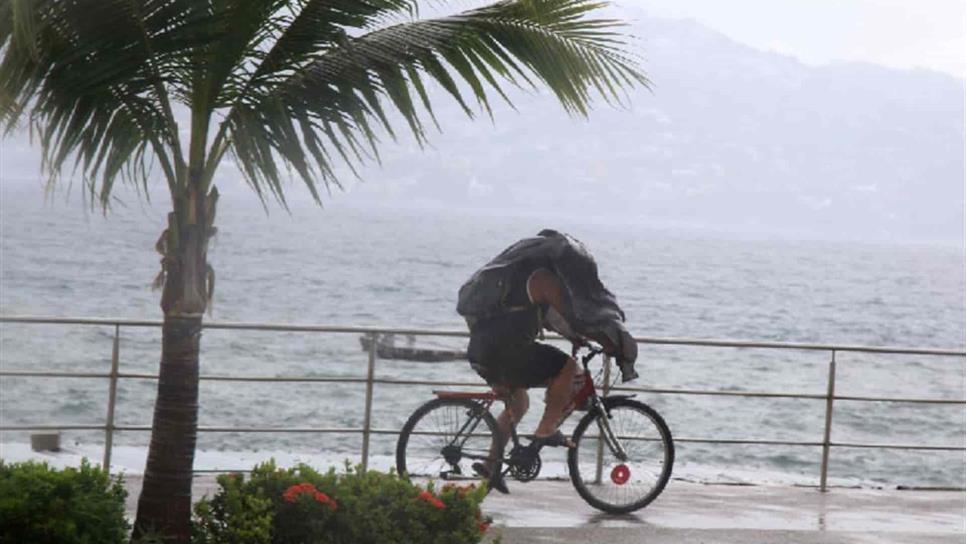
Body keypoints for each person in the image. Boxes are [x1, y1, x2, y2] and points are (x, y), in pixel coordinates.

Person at [457, 230, 638, 493]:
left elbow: (553, 321)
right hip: (508, 351)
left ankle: (490, 465)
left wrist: (574, 338)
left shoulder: (517, 278)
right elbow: (574, 316)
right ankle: (547, 428)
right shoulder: (543, 280)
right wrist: (608, 342)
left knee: (518, 403)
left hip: (484, 350)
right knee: (568, 368)